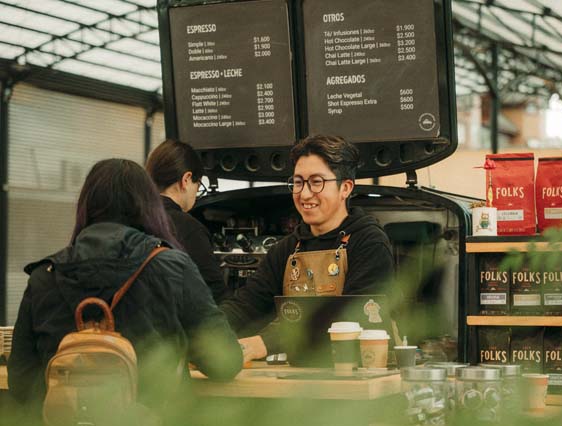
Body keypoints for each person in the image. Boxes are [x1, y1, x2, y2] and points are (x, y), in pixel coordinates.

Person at [8, 159, 242, 408]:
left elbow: (21, 381)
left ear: (85, 206)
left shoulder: (45, 275)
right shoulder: (172, 267)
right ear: (149, 206)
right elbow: (224, 362)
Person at [219, 135, 395, 362]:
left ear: (345, 188)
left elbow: (351, 317)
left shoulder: (369, 243)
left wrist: (262, 343)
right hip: (299, 386)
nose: (304, 194)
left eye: (316, 182)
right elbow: (246, 305)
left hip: (356, 381)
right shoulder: (287, 249)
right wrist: (206, 333)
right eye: (299, 182)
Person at [146, 139, 230, 301]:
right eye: (198, 186)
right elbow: (215, 295)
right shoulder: (189, 229)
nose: (196, 194)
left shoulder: (131, 217)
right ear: (186, 179)